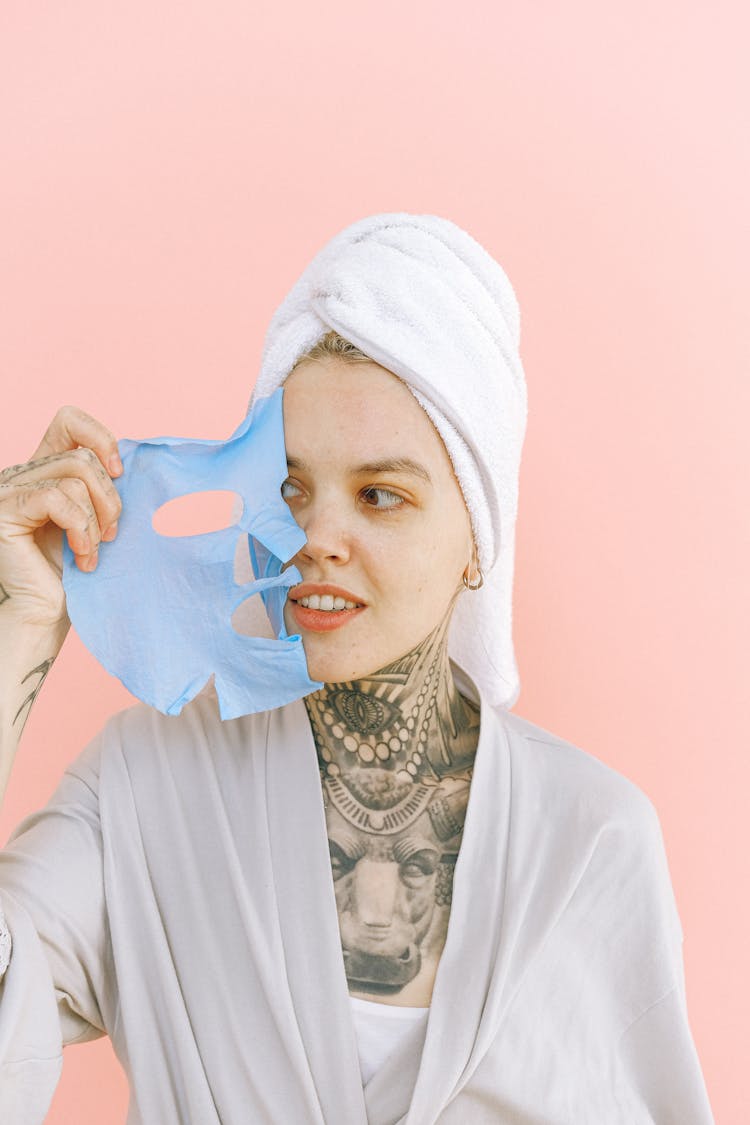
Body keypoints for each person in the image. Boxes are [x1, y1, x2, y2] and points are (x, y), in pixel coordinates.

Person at [0, 213, 714, 1123]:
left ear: (476, 539)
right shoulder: (145, 782)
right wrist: (15, 628)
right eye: (290, 488)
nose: (315, 540)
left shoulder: (592, 840)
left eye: (381, 495)